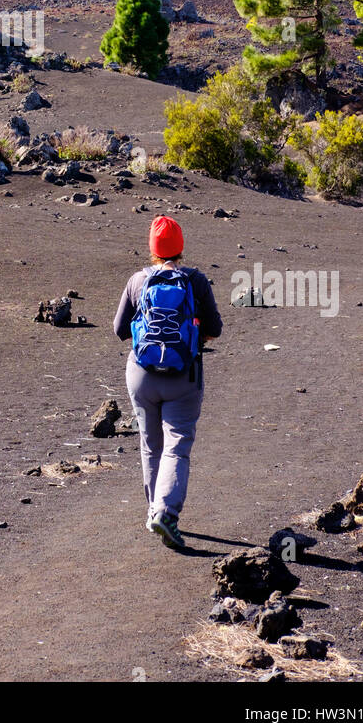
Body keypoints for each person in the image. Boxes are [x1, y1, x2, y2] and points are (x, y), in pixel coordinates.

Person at [113, 215, 222, 550]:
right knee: (177, 445)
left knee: (150, 444)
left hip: (142, 376)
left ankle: (152, 512)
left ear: (152, 249)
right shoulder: (196, 280)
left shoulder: (137, 280)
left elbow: (119, 330)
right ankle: (165, 512)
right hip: (183, 378)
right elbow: (216, 328)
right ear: (181, 246)